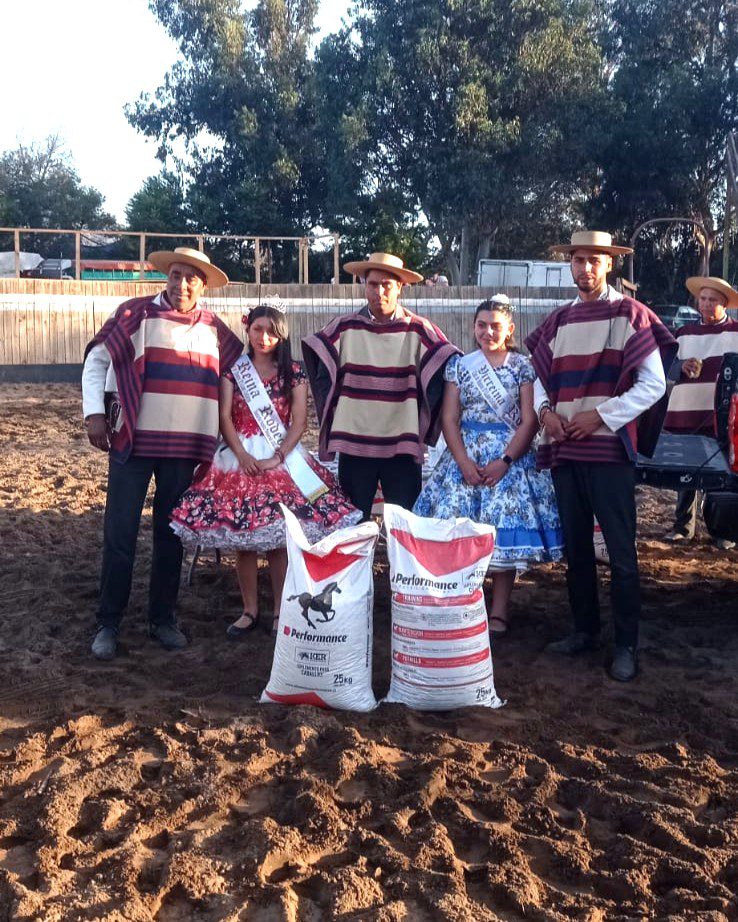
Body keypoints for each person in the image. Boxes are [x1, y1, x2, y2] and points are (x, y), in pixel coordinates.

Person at [525, 231, 677, 682]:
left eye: (594, 260)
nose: (585, 268)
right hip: (566, 451)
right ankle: (585, 631)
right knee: (576, 549)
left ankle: (626, 645)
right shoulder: (558, 321)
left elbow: (652, 385)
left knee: (621, 551)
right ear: (569, 264)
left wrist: (602, 417)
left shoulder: (630, 314)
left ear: (608, 264)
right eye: (578, 260)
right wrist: (546, 413)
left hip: (608, 451)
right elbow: (536, 378)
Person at [82, 247, 243, 660]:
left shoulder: (215, 329)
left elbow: (241, 378)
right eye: (176, 275)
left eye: (191, 277)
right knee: (119, 534)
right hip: (132, 443)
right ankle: (108, 622)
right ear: (165, 277)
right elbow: (97, 361)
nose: (182, 284)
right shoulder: (135, 314)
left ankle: (162, 618)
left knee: (171, 536)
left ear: (202, 285)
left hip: (184, 450)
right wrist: (94, 414)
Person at [170, 305, 361, 637]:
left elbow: (299, 422)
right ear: (248, 331)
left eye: (271, 330)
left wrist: (278, 457)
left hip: (282, 458)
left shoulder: (294, 373)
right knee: (244, 540)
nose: (263, 337)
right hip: (238, 458)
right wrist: (242, 454)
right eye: (257, 329)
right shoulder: (233, 372)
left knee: (278, 541)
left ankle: (281, 610)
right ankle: (249, 610)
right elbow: (225, 417)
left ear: (281, 334)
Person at [413, 299, 564, 634]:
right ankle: (468, 602)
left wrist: (506, 461)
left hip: (508, 461)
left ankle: (499, 611)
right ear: (473, 327)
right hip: (465, 456)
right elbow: (450, 418)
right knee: (462, 532)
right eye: (482, 325)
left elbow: (528, 421)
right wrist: (463, 461)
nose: (488, 331)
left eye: (496, 325)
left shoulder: (522, 366)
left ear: (510, 329)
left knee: (501, 537)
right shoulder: (460, 366)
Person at [302, 252, 460, 520]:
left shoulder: (419, 329)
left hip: (402, 443)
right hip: (355, 443)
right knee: (354, 522)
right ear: (364, 286)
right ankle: (360, 565)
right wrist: (338, 408)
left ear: (400, 287)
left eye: (387, 284)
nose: (379, 291)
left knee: (404, 523)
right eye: (373, 284)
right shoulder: (344, 327)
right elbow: (318, 363)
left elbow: (449, 365)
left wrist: (423, 422)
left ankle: (400, 565)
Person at [663, 276, 738, 546]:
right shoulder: (684, 334)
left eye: (713, 300)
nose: (706, 304)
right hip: (687, 411)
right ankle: (684, 526)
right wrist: (681, 366)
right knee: (687, 471)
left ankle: (722, 530)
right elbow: (665, 368)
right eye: (703, 299)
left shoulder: (737, 332)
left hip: (723, 415)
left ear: (725, 303)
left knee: (723, 473)